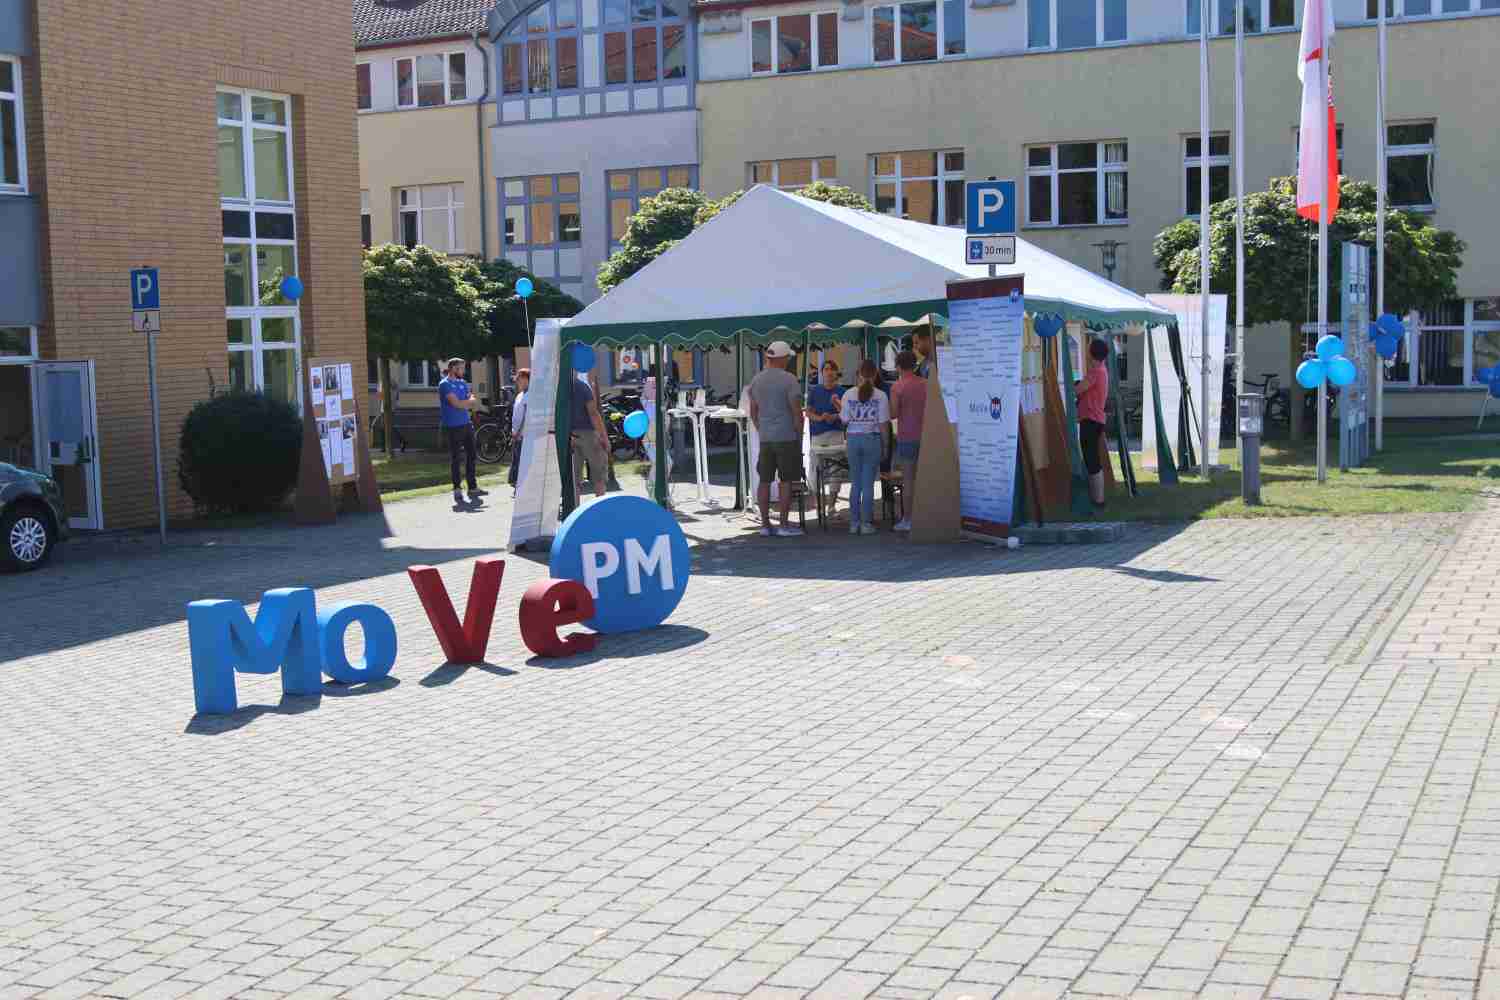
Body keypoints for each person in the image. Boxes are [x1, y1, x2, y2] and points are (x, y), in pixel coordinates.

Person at [748, 340, 805, 537]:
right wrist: (798, 434)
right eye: (788, 357)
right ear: (783, 358)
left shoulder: (756, 380)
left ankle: (765, 525)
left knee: (764, 480)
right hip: (786, 436)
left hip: (766, 437)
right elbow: (796, 412)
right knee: (786, 481)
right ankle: (783, 525)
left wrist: (761, 428)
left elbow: (753, 411)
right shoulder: (789, 380)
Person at [840, 360, 891, 536]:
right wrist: (886, 446)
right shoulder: (881, 396)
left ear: (858, 374)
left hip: (853, 440)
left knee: (856, 484)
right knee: (868, 484)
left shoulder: (847, 394)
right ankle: (866, 523)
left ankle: (854, 523)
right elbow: (884, 425)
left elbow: (844, 420)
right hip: (872, 440)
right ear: (876, 375)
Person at [438, 358, 486, 504]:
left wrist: (466, 402)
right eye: (461, 368)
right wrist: (467, 403)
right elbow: (456, 403)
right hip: (453, 426)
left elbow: (472, 399)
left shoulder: (462, 383)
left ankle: (472, 487)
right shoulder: (444, 384)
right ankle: (457, 488)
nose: (463, 371)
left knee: (472, 455)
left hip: (466, 424)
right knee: (456, 458)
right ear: (452, 368)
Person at [888, 350, 926, 532]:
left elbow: (893, 413)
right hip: (926, 435)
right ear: (915, 365)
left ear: (898, 367)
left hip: (906, 436)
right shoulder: (926, 384)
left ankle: (908, 519)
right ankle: (926, 516)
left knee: (909, 479)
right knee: (925, 478)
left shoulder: (897, 387)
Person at [1075, 338, 1111, 507]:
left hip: (1091, 419)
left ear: (1092, 353)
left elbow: (1078, 389)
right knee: (1092, 459)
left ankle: (1099, 500)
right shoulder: (1100, 370)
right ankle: (1098, 498)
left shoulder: (1096, 372)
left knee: (1091, 460)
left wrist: (1072, 385)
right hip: (1094, 419)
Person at [805, 360, 845, 512]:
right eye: (826, 369)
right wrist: (820, 418)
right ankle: (817, 502)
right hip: (818, 434)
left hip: (836, 433)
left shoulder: (842, 391)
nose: (829, 372)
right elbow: (808, 412)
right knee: (814, 467)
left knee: (837, 468)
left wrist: (835, 416)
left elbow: (846, 414)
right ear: (822, 373)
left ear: (836, 373)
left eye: (832, 369)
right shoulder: (814, 391)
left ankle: (832, 504)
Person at [569, 370, 610, 505]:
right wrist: (604, 437)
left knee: (574, 479)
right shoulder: (582, 387)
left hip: (570, 436)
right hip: (588, 434)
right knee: (599, 475)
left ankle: (574, 509)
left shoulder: (559, 389)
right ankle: (599, 508)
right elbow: (593, 413)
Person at [508, 368, 530, 492]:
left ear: (527, 379)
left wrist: (519, 432)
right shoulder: (520, 395)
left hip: (524, 434)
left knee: (522, 462)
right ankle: (518, 485)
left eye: (519, 380)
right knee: (517, 460)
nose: (517, 382)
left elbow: (526, 416)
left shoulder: (530, 395)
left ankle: (521, 487)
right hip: (517, 434)